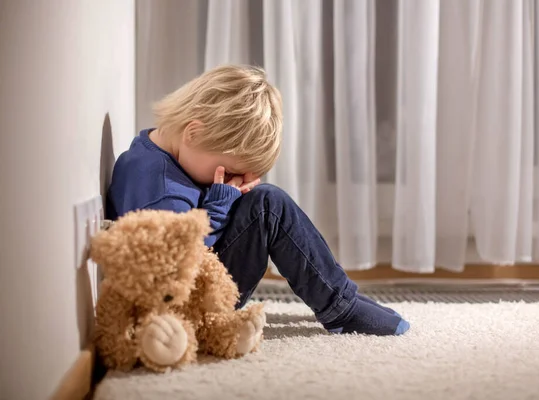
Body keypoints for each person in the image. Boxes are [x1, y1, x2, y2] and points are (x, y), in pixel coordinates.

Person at [106, 64, 410, 336]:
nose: (238, 180)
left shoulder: (155, 151)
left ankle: (341, 296)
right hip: (187, 306)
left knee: (263, 200)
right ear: (193, 134)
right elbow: (177, 265)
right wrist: (220, 205)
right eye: (232, 170)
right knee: (268, 205)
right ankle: (340, 307)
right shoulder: (161, 187)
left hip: (203, 280)